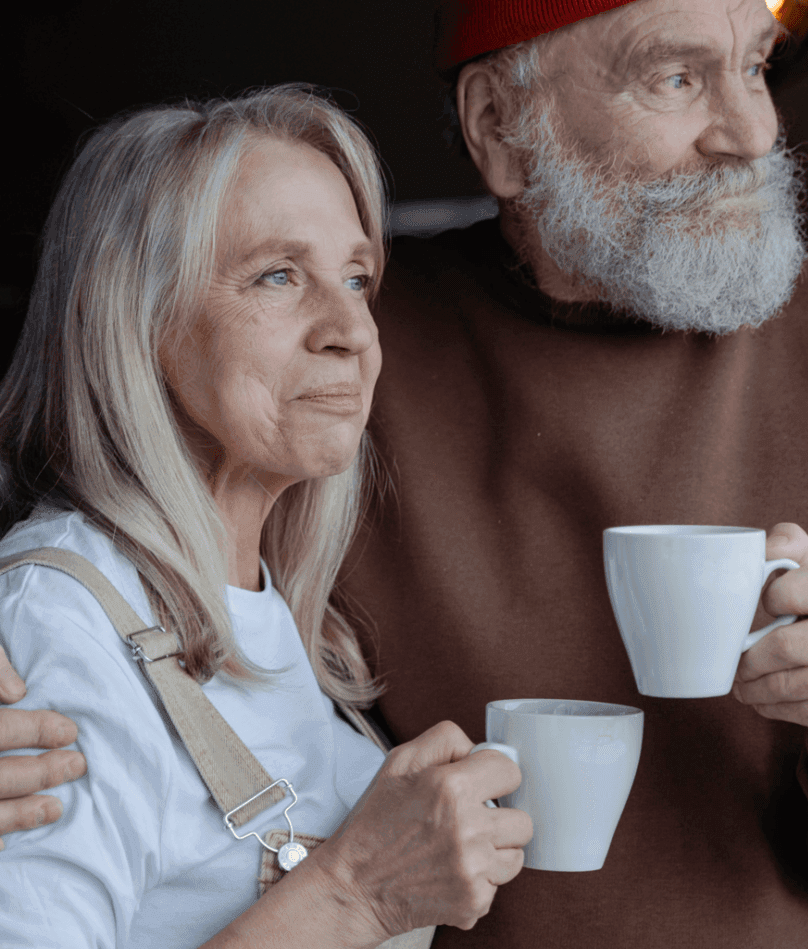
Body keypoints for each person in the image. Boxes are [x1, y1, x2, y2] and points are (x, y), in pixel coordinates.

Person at [2, 0, 808, 946]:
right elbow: (105, 483)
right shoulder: (341, 364)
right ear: (500, 128)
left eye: (755, 68)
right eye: (677, 76)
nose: (753, 131)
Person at [0, 84, 532, 947]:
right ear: (137, 318)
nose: (351, 330)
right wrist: (356, 895)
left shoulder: (276, 611)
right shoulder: (60, 629)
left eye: (357, 278)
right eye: (278, 276)